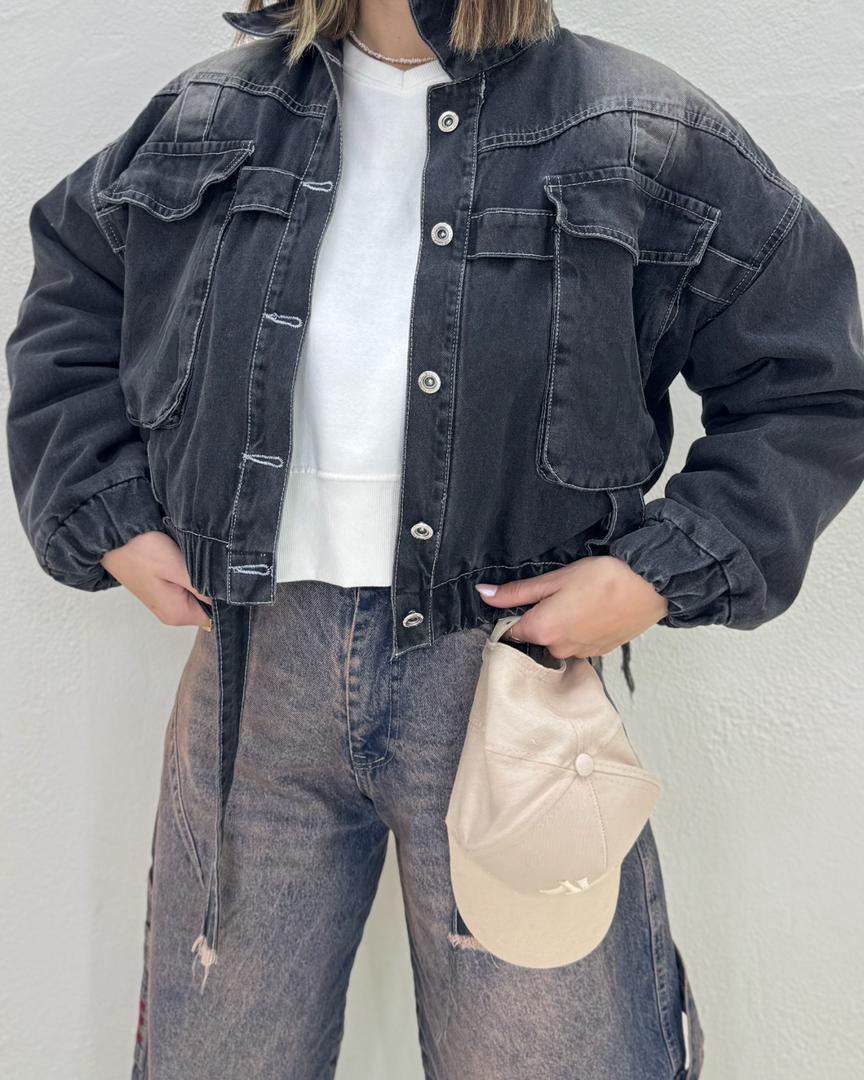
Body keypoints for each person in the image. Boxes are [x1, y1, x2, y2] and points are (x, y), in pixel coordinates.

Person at [5, 1, 864, 1076]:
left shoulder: (636, 128)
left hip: (504, 674)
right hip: (252, 674)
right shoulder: (211, 115)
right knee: (219, 1057)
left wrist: (656, 575)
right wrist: (106, 512)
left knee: (553, 1058)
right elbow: (73, 302)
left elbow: (810, 386)